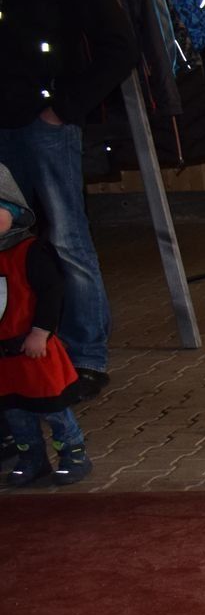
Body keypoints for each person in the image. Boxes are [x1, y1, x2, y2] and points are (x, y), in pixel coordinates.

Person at [0, 0, 135, 399]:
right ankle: (14, 359)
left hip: (42, 124)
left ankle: (84, 357)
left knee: (64, 237)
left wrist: (62, 109)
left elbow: (119, 45)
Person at [1, 165, 90, 487]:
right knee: (14, 410)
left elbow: (52, 292)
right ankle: (32, 459)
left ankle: (73, 454)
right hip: (4, 355)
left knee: (52, 406)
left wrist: (41, 331)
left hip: (35, 349)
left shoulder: (30, 251)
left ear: (14, 213)